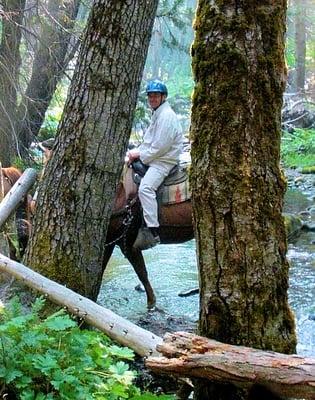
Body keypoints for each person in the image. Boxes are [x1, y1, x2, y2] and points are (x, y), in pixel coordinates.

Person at [127, 79, 183, 250]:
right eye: (150, 95)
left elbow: (158, 148)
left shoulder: (166, 117)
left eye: (156, 95)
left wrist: (139, 154)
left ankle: (152, 231)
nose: (152, 98)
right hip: (156, 156)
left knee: (145, 188)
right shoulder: (158, 113)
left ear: (163, 97)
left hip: (163, 161)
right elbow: (149, 141)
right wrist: (134, 153)